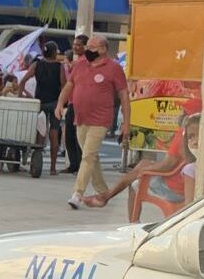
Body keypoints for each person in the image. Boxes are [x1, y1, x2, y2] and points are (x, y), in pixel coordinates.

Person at [83, 98, 201, 211]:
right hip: (184, 180)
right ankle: (105, 196)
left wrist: (144, 171)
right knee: (142, 165)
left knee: (134, 183)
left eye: (183, 111)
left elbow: (167, 165)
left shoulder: (183, 134)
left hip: (174, 188)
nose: (180, 113)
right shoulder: (199, 134)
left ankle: (130, 220)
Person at [55, 35, 130, 210]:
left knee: (87, 156)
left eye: (92, 48)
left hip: (101, 119)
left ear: (103, 49)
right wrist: (60, 103)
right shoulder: (80, 64)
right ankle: (103, 192)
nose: (88, 50)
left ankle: (77, 193)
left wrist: (126, 122)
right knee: (91, 156)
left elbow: (124, 95)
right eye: (87, 46)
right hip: (81, 117)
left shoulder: (114, 68)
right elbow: (69, 85)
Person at [20, 41, 66, 175]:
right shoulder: (59, 67)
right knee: (54, 134)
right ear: (54, 53)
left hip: (39, 102)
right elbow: (64, 85)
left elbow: (23, 80)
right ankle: (52, 167)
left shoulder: (36, 64)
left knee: (40, 132)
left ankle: (36, 160)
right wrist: (62, 103)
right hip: (54, 103)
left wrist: (19, 96)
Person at [63, 35, 87, 173]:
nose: (75, 47)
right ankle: (75, 164)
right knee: (72, 134)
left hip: (77, 102)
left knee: (75, 135)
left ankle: (76, 164)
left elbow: (71, 82)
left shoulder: (81, 63)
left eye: (78, 45)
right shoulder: (78, 62)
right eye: (74, 44)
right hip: (73, 101)